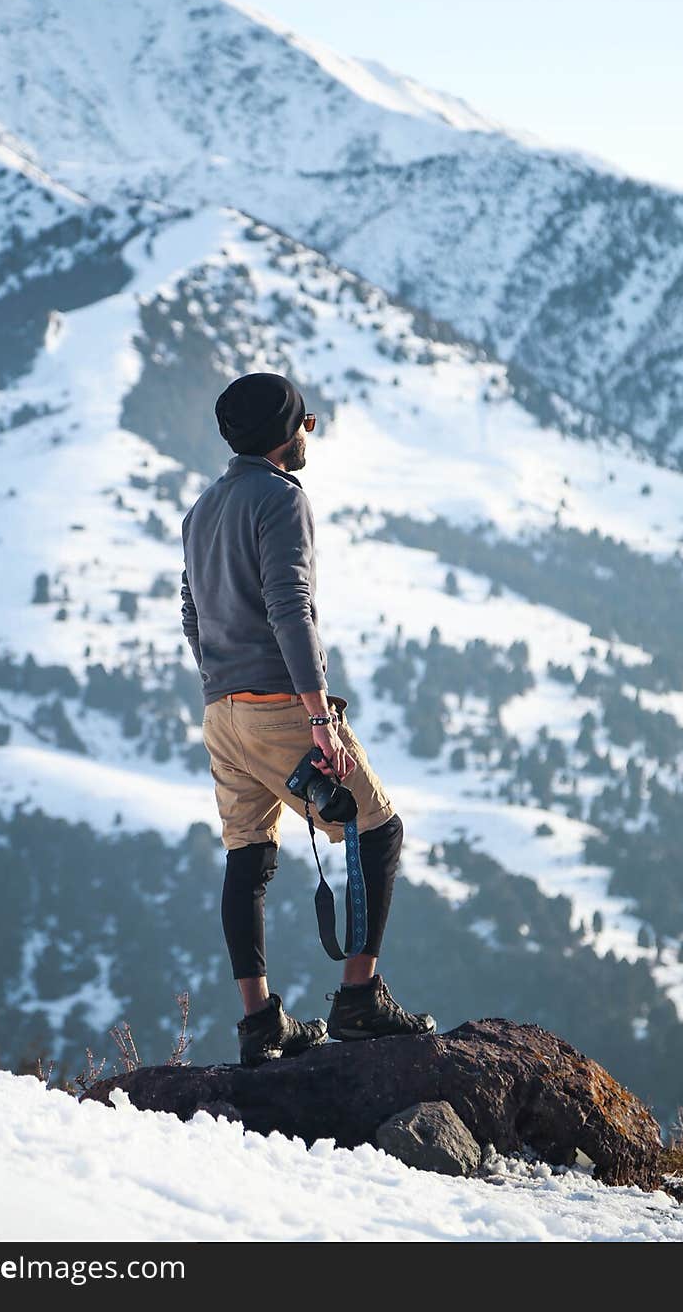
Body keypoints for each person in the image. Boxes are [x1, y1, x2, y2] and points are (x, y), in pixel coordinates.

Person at [180, 371, 436, 1065]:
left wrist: (221, 687)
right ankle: (358, 998)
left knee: (249, 856)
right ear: (284, 435)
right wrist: (318, 717)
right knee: (378, 830)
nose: (308, 432)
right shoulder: (282, 499)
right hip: (278, 707)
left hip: (220, 713)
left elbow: (192, 617)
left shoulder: (201, 510)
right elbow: (291, 608)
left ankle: (261, 1023)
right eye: (304, 423)